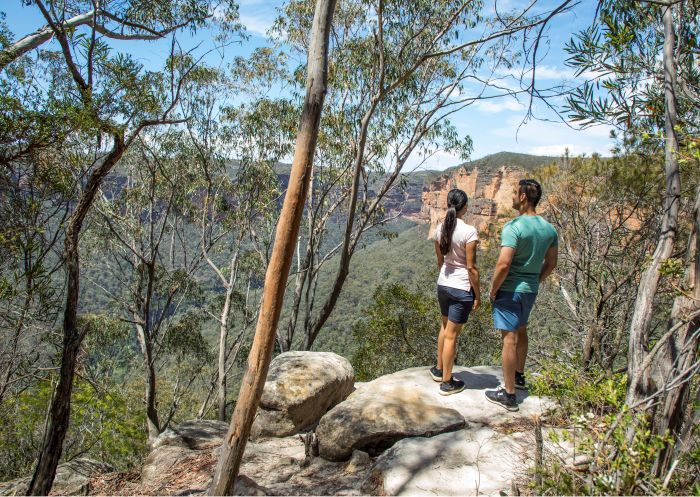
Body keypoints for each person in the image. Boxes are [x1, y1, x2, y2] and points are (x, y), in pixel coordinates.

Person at [485, 179, 558, 411]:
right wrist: (536, 280)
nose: (513, 197)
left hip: (509, 290)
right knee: (522, 329)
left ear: (524, 197)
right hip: (530, 290)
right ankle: (518, 376)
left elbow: (503, 264)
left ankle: (508, 394)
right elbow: (552, 262)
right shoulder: (549, 228)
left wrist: (493, 289)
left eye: (516, 193)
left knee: (509, 337)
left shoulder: (513, 226)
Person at [429, 188, 481, 395]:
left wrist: (447, 277)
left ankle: (439, 369)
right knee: (452, 336)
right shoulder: (469, 232)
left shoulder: (440, 229)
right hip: (461, 288)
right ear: (465, 207)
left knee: (444, 328)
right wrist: (477, 294)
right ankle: (447, 382)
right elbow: (471, 268)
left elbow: (440, 261)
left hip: (444, 284)